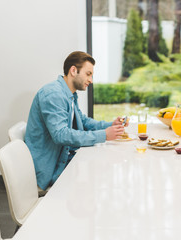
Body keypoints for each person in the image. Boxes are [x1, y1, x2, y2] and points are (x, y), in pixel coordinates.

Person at [25, 51, 126, 190]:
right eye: (88, 74)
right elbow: (61, 135)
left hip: (63, 159)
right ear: (73, 70)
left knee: (105, 167)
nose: (91, 80)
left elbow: (82, 121)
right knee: (103, 177)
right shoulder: (53, 94)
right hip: (50, 170)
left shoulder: (69, 94)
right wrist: (104, 135)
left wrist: (110, 126)